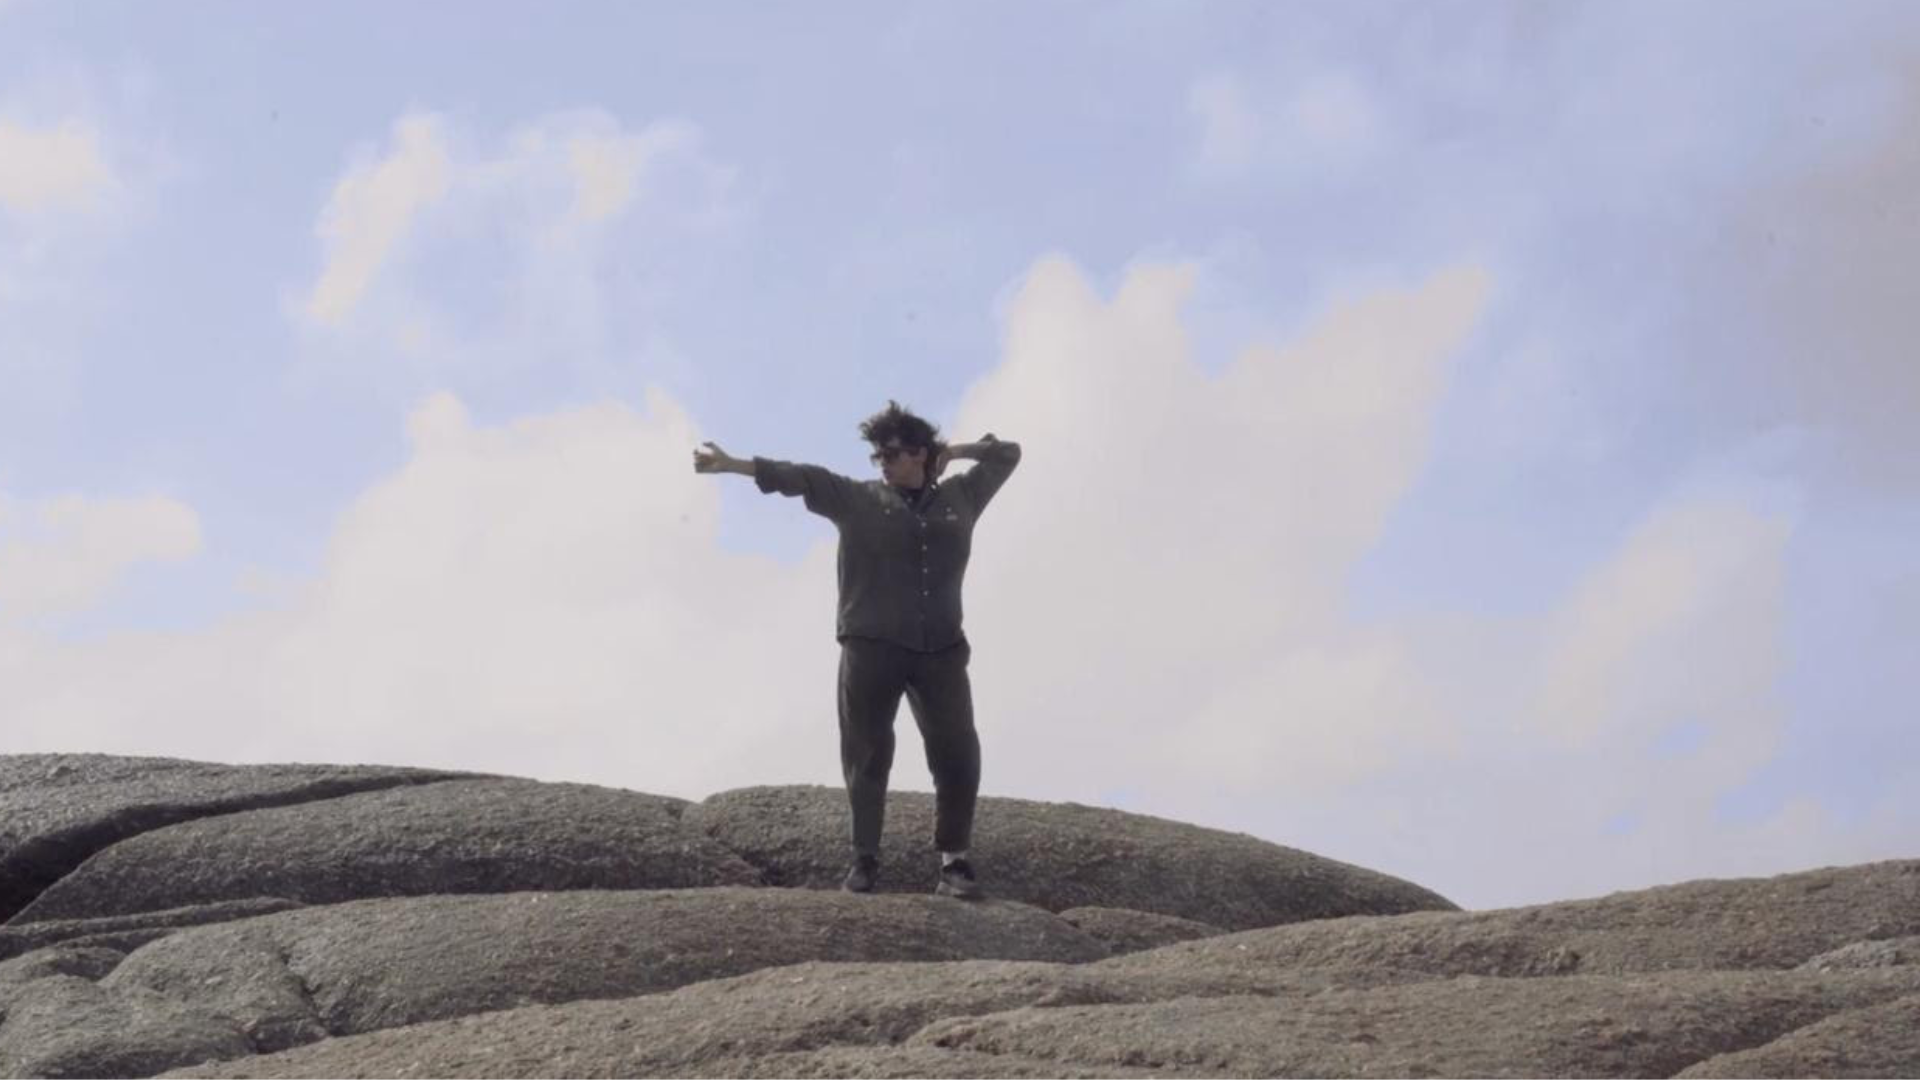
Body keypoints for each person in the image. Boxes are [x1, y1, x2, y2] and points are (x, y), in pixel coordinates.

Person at [692, 400, 1021, 899]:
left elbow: (1008, 454)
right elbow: (802, 476)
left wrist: (954, 451)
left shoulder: (962, 496)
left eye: (892, 454)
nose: (882, 462)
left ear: (920, 454)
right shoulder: (857, 499)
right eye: (877, 456)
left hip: (942, 650)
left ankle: (955, 863)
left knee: (958, 753)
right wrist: (734, 464)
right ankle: (864, 860)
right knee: (867, 754)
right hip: (871, 647)